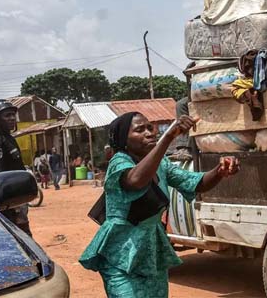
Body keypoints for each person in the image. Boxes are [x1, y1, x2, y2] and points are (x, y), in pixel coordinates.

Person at [79, 112, 239, 297]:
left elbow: (195, 182)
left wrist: (219, 171)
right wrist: (168, 137)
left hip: (151, 252)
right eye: (139, 130)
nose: (149, 133)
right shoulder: (119, 162)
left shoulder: (161, 163)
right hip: (120, 254)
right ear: (124, 140)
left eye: (150, 128)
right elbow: (136, 180)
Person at [0, 99, 33, 236]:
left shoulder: (8, 139)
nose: (12, 118)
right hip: (7, 207)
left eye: (13, 115)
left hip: (16, 202)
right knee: (22, 243)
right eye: (7, 115)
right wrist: (13, 206)